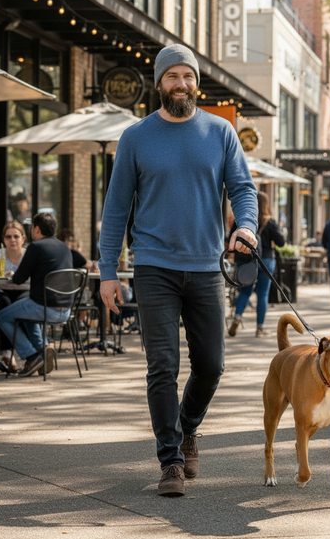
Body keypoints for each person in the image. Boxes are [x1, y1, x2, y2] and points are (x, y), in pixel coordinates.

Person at [98, 44, 258, 498]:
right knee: (162, 365)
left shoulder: (221, 132)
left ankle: (187, 428)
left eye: (188, 76)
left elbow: (243, 190)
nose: (181, 84)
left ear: (197, 82)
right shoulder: (136, 137)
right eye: (173, 77)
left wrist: (245, 226)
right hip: (153, 266)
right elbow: (115, 211)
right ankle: (169, 460)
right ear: (159, 83)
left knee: (211, 365)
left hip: (207, 266)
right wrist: (109, 270)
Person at [0, 212, 73, 377]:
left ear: (36, 229)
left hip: (44, 307)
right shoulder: (64, 247)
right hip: (66, 310)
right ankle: (42, 350)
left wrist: (10, 274)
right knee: (26, 311)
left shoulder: (35, 247)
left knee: (2, 316)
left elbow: (19, 279)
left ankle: (31, 356)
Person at [228, 191, 285, 337]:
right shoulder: (270, 222)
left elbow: (230, 239)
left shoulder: (241, 221)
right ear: (266, 205)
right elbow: (281, 242)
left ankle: (238, 316)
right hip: (266, 259)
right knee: (263, 293)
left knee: (245, 291)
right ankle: (259, 328)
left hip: (246, 260)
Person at [0, 221, 27, 372]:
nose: (12, 240)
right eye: (8, 236)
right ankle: (8, 353)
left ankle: (28, 353)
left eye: (16, 236)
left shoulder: (29, 255)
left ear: (23, 239)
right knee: (3, 304)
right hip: (2, 290)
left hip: (24, 290)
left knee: (23, 304)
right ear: (3, 239)